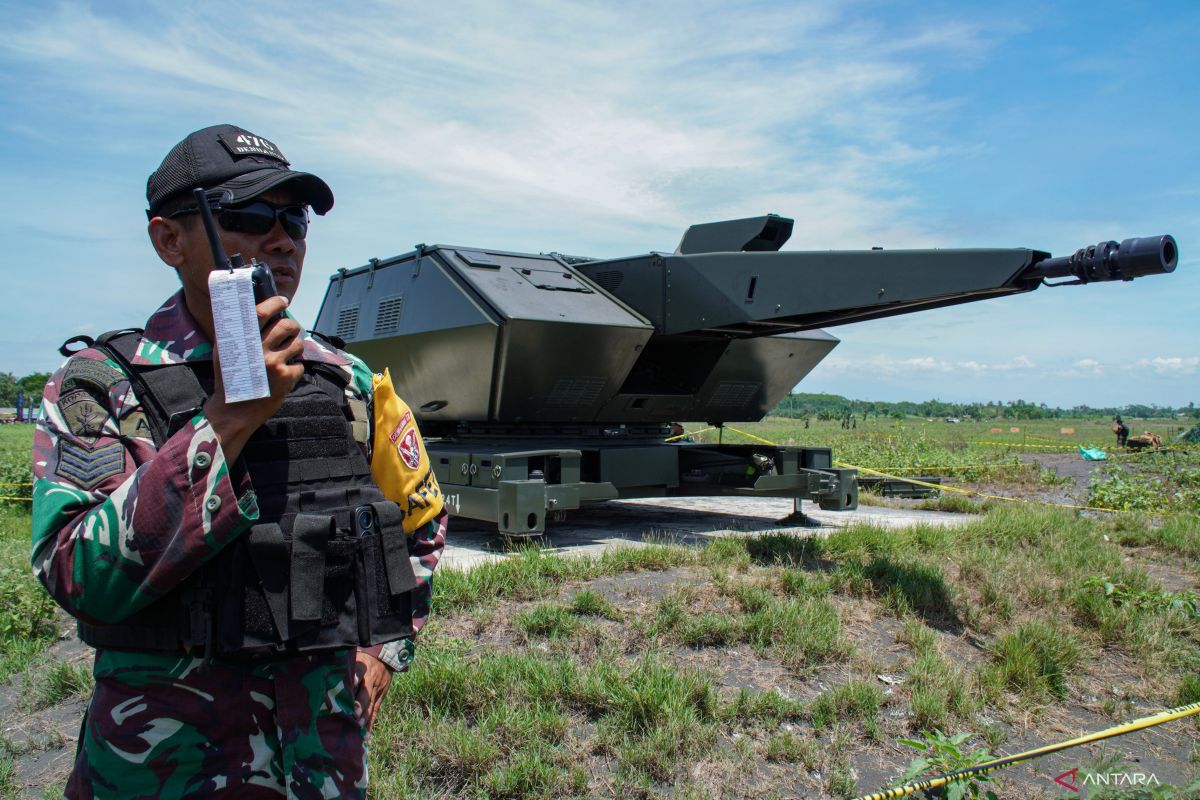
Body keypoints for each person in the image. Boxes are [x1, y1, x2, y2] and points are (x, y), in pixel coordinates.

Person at [31, 124, 447, 799]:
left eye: (295, 219)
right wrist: (227, 417)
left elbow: (421, 523)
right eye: (249, 217)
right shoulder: (100, 384)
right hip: (163, 769)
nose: (282, 239)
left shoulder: (348, 381)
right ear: (170, 240)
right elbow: (76, 573)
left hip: (320, 762)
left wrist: (387, 652)